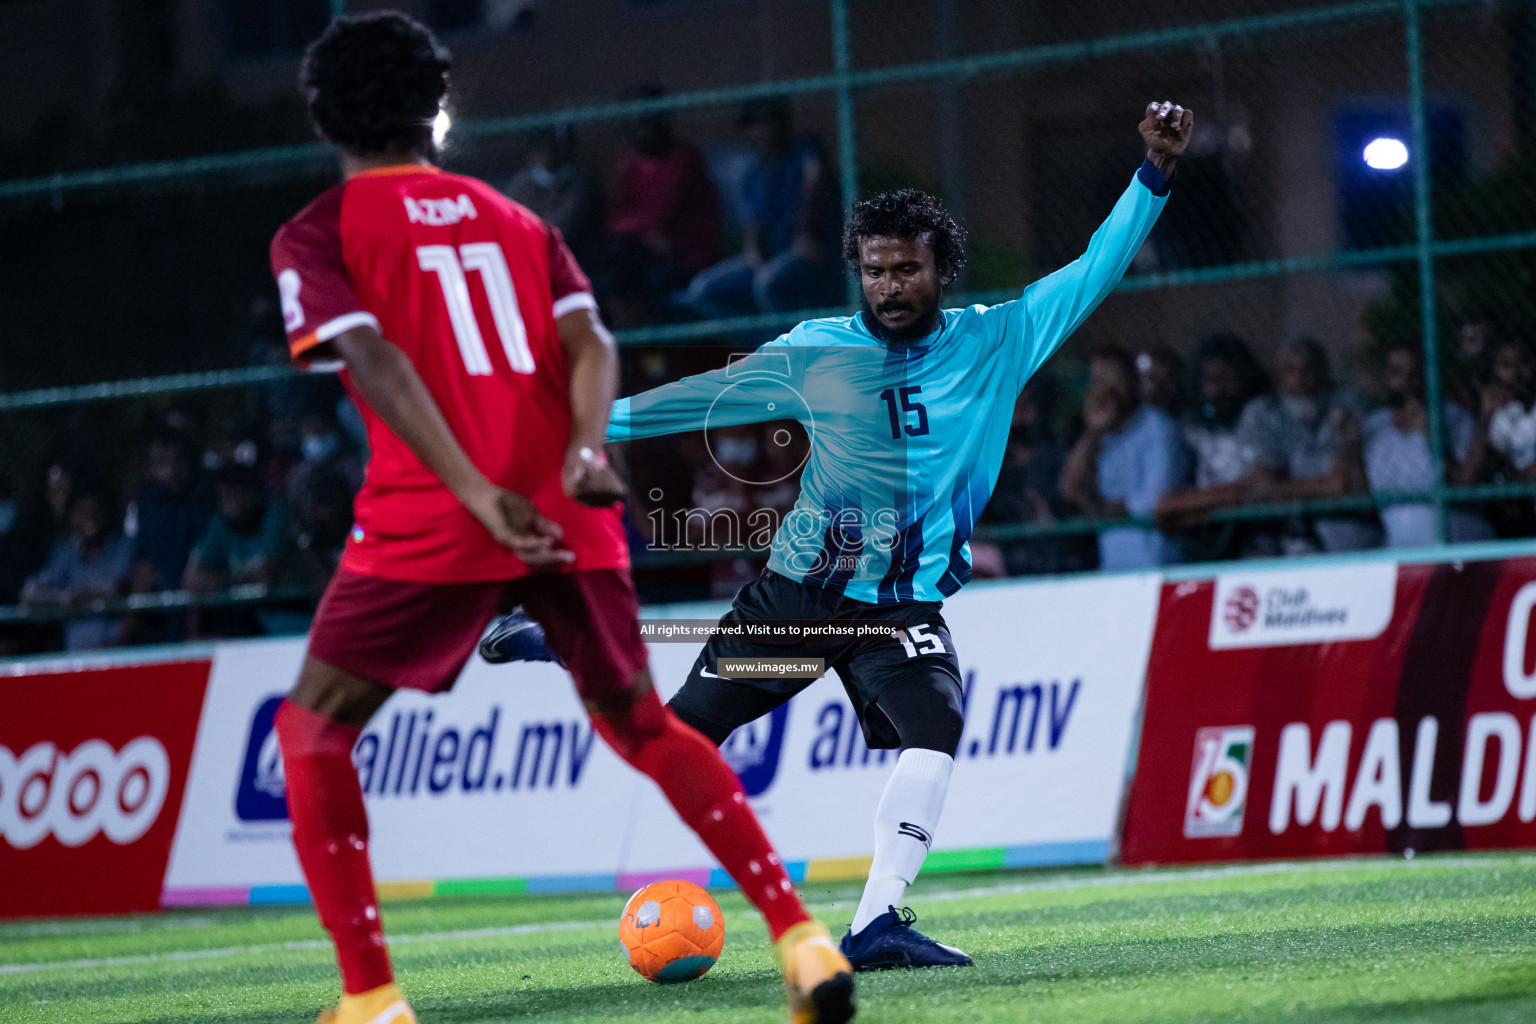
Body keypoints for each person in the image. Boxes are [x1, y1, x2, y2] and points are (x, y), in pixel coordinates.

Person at [487, 101, 1193, 969]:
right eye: (875, 270)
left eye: (906, 269)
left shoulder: (1000, 339)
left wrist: (1153, 175)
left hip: (899, 607)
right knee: (675, 745)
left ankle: (874, 926)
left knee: (934, 726)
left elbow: (1096, 268)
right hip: (797, 597)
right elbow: (702, 398)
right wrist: (582, 426)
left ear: (943, 268)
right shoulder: (816, 350)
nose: (890, 285)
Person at [268, 16, 854, 1024]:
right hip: (568, 506)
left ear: (321, 113)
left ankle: (370, 998)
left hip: (435, 517)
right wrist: (585, 452)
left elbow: (374, 361)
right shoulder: (514, 217)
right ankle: (801, 938)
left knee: (314, 726)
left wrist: (470, 488)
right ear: (436, 111)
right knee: (642, 722)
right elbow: (591, 341)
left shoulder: (317, 232)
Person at [682, 98, 842, 321]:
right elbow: (752, 227)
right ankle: (754, 347)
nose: (764, 130)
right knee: (703, 289)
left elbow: (815, 180)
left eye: (770, 122)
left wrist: (805, 233)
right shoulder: (753, 173)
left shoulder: (804, 150)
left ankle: (791, 352)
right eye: (755, 124)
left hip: (810, 252)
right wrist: (753, 252)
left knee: (767, 284)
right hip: (772, 257)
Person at [1236, 337, 1379, 553]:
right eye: (1290, 370)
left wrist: (1287, 488)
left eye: (1308, 370)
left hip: (1348, 530)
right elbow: (1261, 487)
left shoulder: (1349, 403)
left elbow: (1345, 486)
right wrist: (1324, 487)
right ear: (1277, 377)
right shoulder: (1264, 412)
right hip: (1289, 535)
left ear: (1324, 372)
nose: (1300, 380)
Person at [1059, 346, 1191, 569]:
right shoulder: (1098, 438)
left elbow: (1155, 501)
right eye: (1097, 381)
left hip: (1157, 567)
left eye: (1111, 379)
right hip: (1112, 569)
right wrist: (1092, 431)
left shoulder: (1158, 427)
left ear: (1131, 382)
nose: (1104, 389)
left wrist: (1100, 511)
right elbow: (1070, 490)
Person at [602, 84, 721, 326]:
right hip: (645, 250)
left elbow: (659, 216)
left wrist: (640, 232)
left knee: (650, 284)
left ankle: (660, 358)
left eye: (647, 121)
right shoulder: (630, 164)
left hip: (685, 255)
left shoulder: (683, 159)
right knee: (609, 273)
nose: (640, 130)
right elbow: (615, 222)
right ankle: (625, 352)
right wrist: (641, 234)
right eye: (634, 121)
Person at [1154, 332, 1275, 561]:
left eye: (1225, 378)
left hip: (1258, 539)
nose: (1216, 389)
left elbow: (1260, 486)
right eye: (1209, 379)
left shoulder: (1259, 414)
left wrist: (1196, 500)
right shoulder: (1190, 425)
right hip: (1207, 539)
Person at [1363, 342, 1493, 547]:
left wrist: (1434, 437)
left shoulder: (1452, 418)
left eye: (1412, 373)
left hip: (1455, 543)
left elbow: (1463, 484)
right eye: (1395, 371)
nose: (1405, 380)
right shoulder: (1374, 427)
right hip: (1400, 548)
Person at [21, 483, 134, 651]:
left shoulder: (123, 547)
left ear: (105, 511)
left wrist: (79, 596)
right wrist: (62, 597)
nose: (90, 516)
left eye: (95, 509)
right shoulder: (66, 553)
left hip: (116, 654)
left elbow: (115, 588)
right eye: (82, 510)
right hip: (76, 659)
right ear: (72, 515)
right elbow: (29, 593)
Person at [502, 124, 601, 264]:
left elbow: (563, 226)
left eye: (549, 149)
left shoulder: (575, 183)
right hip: (528, 257)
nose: (545, 155)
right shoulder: (521, 183)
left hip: (570, 259)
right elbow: (508, 222)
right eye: (539, 149)